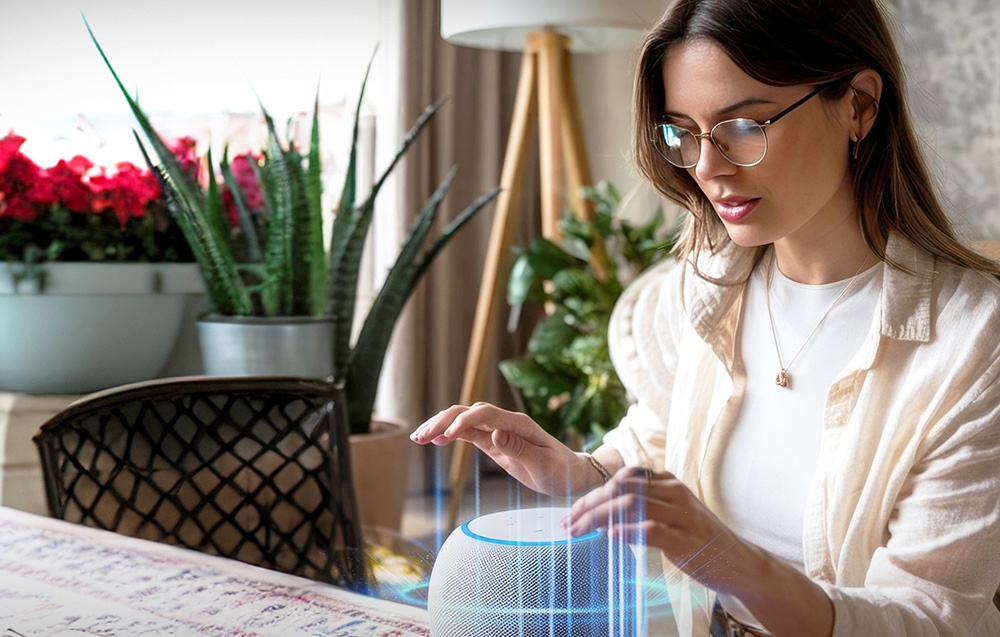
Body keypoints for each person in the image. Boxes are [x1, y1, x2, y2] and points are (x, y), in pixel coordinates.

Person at [411, 0, 1000, 634]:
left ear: (858, 104)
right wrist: (576, 473)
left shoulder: (973, 344)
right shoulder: (703, 284)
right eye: (682, 132)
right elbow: (662, 435)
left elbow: (932, 619)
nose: (707, 168)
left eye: (743, 127)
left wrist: (724, 560)